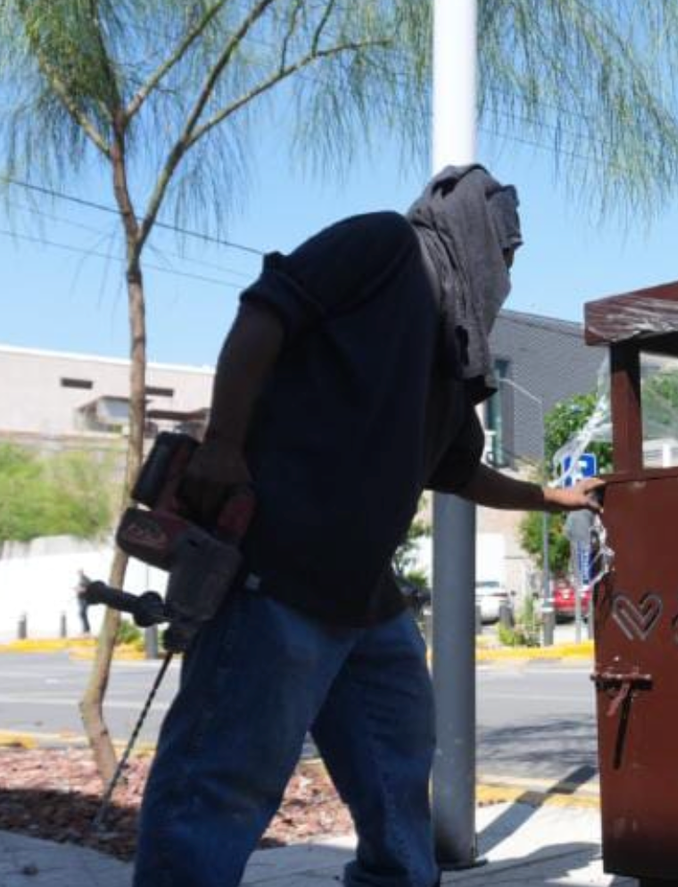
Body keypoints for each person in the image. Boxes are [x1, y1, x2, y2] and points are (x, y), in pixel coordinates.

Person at [133, 165, 603, 887]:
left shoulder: (454, 344)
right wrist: (224, 441)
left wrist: (552, 498)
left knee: (396, 769)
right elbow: (265, 312)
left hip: (366, 600)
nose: (506, 270)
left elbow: (457, 471)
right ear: (474, 230)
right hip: (277, 572)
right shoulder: (385, 247)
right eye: (504, 251)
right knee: (219, 784)